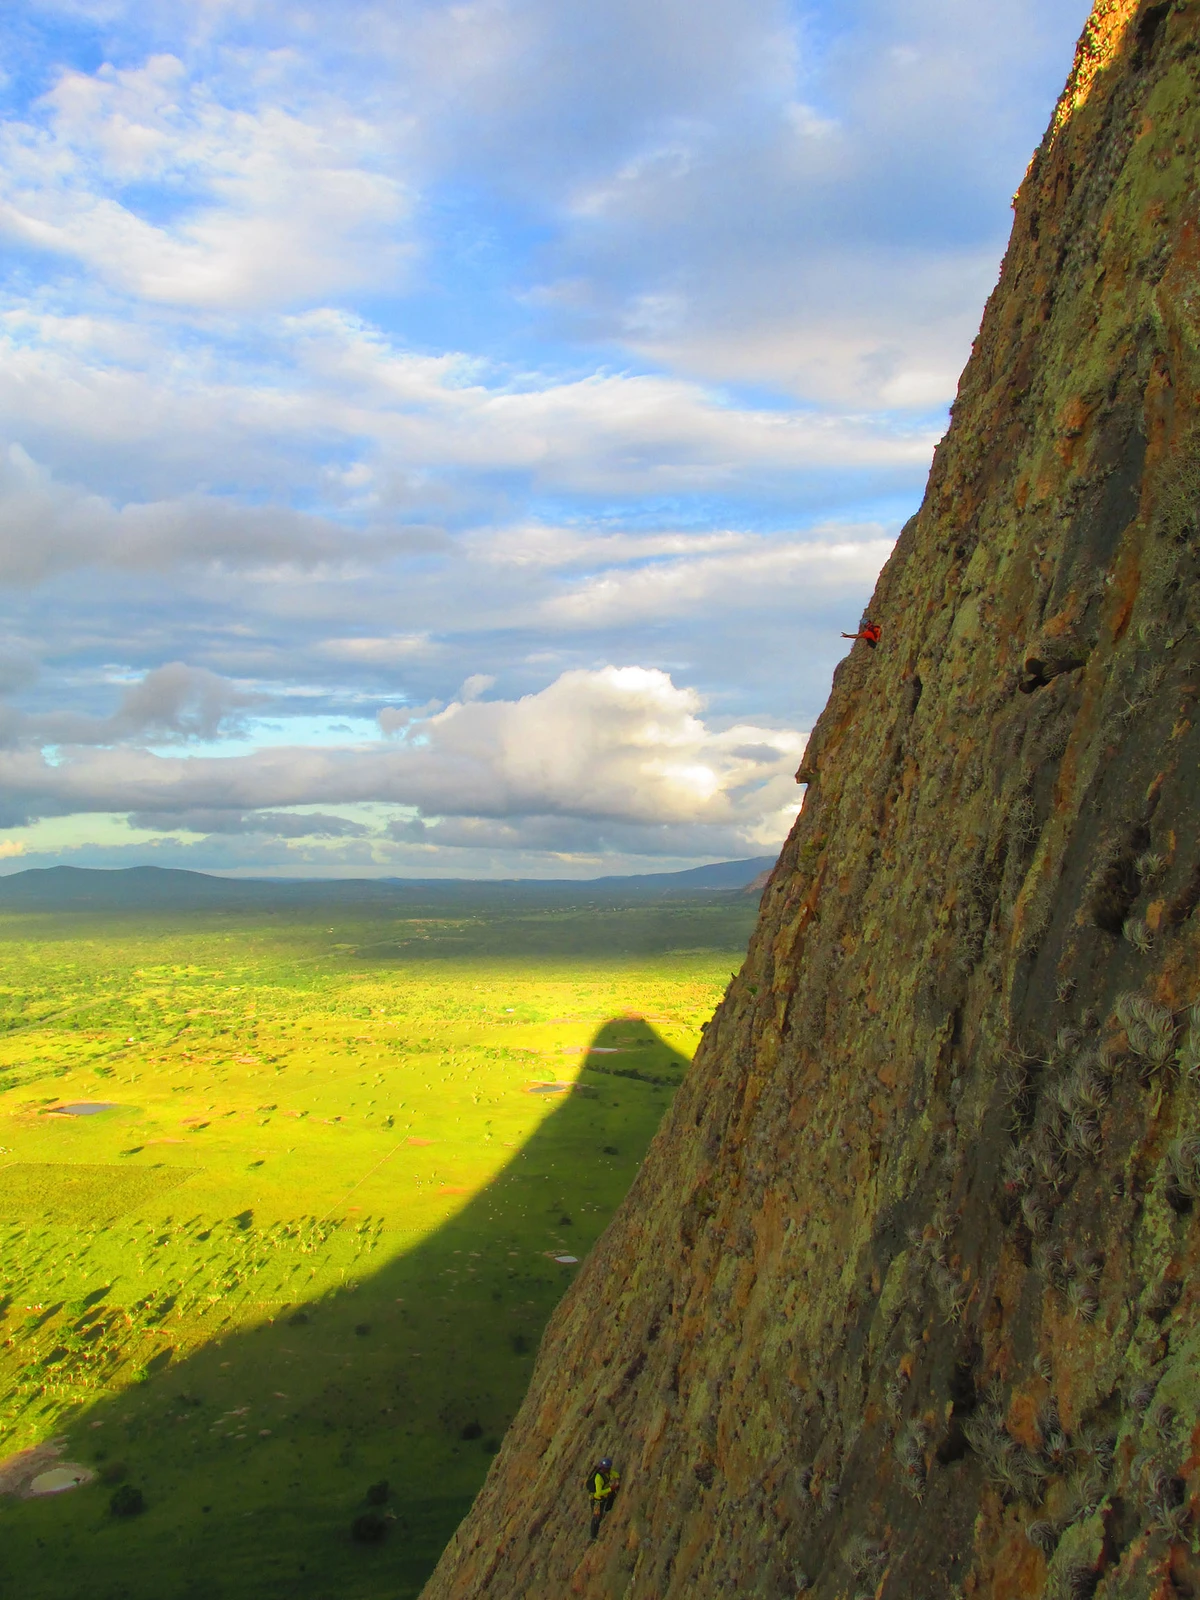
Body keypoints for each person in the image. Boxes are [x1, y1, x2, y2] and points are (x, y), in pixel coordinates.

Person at [586, 1457, 620, 1539]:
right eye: (608, 1468)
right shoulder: (598, 1478)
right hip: (596, 1499)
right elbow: (599, 1492)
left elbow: (615, 1474)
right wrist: (611, 1488)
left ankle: (608, 1509)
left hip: (604, 1496)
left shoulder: (607, 1472)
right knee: (597, 1518)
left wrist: (617, 1479)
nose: (609, 1469)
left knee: (612, 1496)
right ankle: (593, 1536)